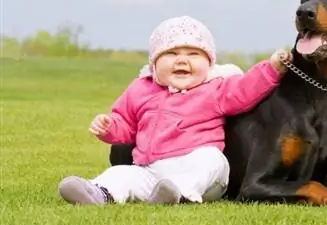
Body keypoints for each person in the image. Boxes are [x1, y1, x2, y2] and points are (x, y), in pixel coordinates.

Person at [58, 15, 293, 205]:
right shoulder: (141, 89)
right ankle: (97, 193)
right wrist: (109, 127)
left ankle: (179, 192)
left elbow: (245, 90)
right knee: (122, 173)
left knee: (212, 159)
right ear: (154, 63)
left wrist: (272, 68)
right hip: (150, 170)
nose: (182, 60)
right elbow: (126, 126)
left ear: (209, 63)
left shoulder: (214, 89)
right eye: (171, 54)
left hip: (202, 177)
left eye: (193, 54)